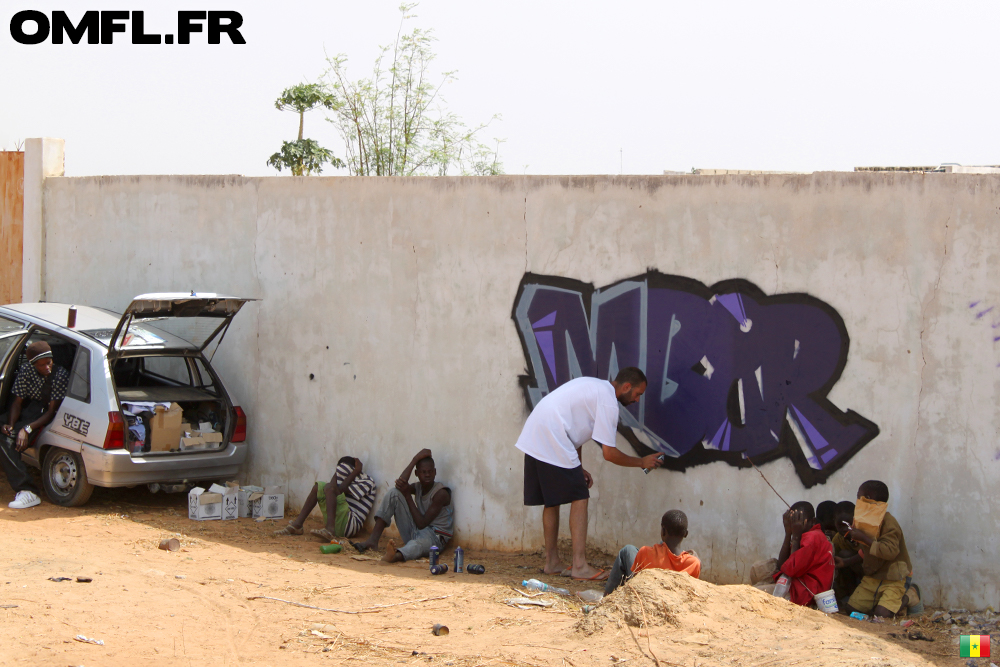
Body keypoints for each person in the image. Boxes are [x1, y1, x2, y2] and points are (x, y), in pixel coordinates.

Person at [515, 367, 664, 581]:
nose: (637, 400)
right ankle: (579, 566)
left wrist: (578, 467)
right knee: (580, 496)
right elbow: (609, 453)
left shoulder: (594, 386)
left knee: (551, 500)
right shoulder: (608, 402)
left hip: (537, 430)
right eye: (637, 394)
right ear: (627, 387)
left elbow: (576, 432)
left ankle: (552, 563)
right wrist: (641, 461)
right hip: (553, 434)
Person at [350, 448, 453, 563]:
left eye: (430, 472)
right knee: (394, 493)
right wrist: (414, 460)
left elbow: (422, 523)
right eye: (423, 472)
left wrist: (408, 496)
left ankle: (395, 556)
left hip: (435, 538)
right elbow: (400, 485)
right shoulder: (418, 487)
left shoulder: (441, 493)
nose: (427, 475)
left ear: (435, 472)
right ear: (417, 473)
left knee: (416, 545)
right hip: (417, 531)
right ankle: (373, 540)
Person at [1, 341, 70, 509]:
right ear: (33, 364)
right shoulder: (26, 370)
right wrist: (10, 424)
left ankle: (27, 490)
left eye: (48, 362)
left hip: (43, 416)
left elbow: (51, 412)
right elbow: (17, 403)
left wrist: (27, 429)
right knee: (5, 433)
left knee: (6, 443)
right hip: (29, 410)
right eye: (41, 365)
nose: (46, 367)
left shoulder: (60, 374)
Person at [844, 480, 914, 618]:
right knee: (851, 609)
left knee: (882, 615)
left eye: (859, 497)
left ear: (868, 498)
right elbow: (864, 550)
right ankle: (883, 603)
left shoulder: (889, 522)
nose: (858, 501)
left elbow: (890, 551)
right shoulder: (864, 520)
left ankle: (910, 596)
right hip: (874, 576)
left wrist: (864, 538)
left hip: (894, 578)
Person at [274, 456, 375, 540]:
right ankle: (297, 525)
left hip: (349, 525)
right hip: (339, 521)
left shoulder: (367, 482)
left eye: (342, 473)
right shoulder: (347, 479)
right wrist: (338, 473)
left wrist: (356, 470)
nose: (339, 476)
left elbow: (341, 489)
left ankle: (329, 530)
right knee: (319, 487)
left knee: (329, 488)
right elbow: (333, 486)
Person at [604, 509, 701, 595]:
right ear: (685, 534)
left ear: (663, 531)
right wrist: (694, 559)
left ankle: (605, 600)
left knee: (627, 550)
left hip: (647, 595)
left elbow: (635, 582)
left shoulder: (645, 552)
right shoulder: (693, 563)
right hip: (672, 596)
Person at [773, 501, 834, 606]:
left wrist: (796, 537)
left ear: (812, 522)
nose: (796, 525)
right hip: (800, 584)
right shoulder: (806, 534)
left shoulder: (812, 537)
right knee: (760, 569)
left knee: (756, 593)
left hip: (807, 592)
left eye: (800, 521)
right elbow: (781, 565)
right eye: (793, 520)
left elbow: (791, 570)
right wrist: (788, 533)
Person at [832, 501, 863, 605]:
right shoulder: (838, 539)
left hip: (868, 574)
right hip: (852, 579)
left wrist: (847, 562)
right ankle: (852, 594)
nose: (845, 529)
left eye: (848, 524)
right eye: (840, 525)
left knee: (845, 555)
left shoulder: (864, 535)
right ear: (834, 522)